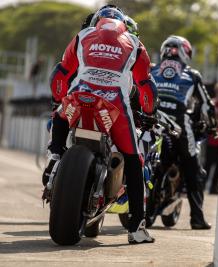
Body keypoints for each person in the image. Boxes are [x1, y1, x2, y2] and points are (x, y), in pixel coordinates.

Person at [42, 5, 157, 244]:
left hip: (78, 97)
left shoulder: (82, 36)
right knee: (135, 160)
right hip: (114, 105)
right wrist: (149, 110)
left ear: (96, 22)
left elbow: (61, 72)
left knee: (60, 114)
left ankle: (54, 155)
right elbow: (146, 85)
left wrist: (58, 97)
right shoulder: (135, 44)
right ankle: (136, 228)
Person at [151, 35, 217, 230]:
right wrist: (212, 126)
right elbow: (207, 106)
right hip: (179, 125)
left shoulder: (152, 69)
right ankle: (197, 219)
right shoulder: (191, 74)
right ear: (185, 53)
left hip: (151, 121)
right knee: (195, 171)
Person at [205, 82, 218, 195]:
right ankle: (202, 187)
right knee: (207, 165)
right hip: (211, 141)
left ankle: (214, 188)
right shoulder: (212, 103)